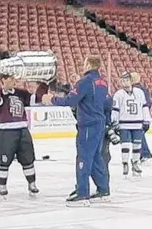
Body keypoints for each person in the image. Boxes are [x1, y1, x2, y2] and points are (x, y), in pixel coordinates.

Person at [42, 56, 109, 207]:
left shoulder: (85, 81)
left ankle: (82, 193)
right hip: (99, 122)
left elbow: (71, 100)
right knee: (96, 157)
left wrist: (52, 99)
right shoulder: (103, 82)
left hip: (88, 124)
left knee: (84, 157)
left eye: (84, 63)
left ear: (89, 64)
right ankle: (103, 189)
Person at [0, 73, 48, 198]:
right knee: (3, 161)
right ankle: (2, 185)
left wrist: (44, 84)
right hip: (5, 131)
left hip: (23, 130)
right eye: (11, 78)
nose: (14, 81)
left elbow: (37, 99)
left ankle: (32, 183)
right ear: (3, 80)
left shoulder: (21, 93)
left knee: (28, 159)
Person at [112, 72, 151, 177]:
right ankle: (125, 163)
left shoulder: (139, 92)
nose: (125, 82)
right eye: (123, 80)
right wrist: (114, 123)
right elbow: (115, 110)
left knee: (137, 145)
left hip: (137, 123)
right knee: (125, 145)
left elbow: (144, 107)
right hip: (124, 124)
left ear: (131, 81)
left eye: (127, 80)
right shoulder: (118, 94)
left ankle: (135, 163)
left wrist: (146, 120)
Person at [131, 72, 152, 163]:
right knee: (138, 135)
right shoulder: (144, 89)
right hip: (144, 116)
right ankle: (142, 154)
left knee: (138, 135)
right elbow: (149, 103)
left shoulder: (134, 90)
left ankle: (145, 153)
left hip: (138, 116)